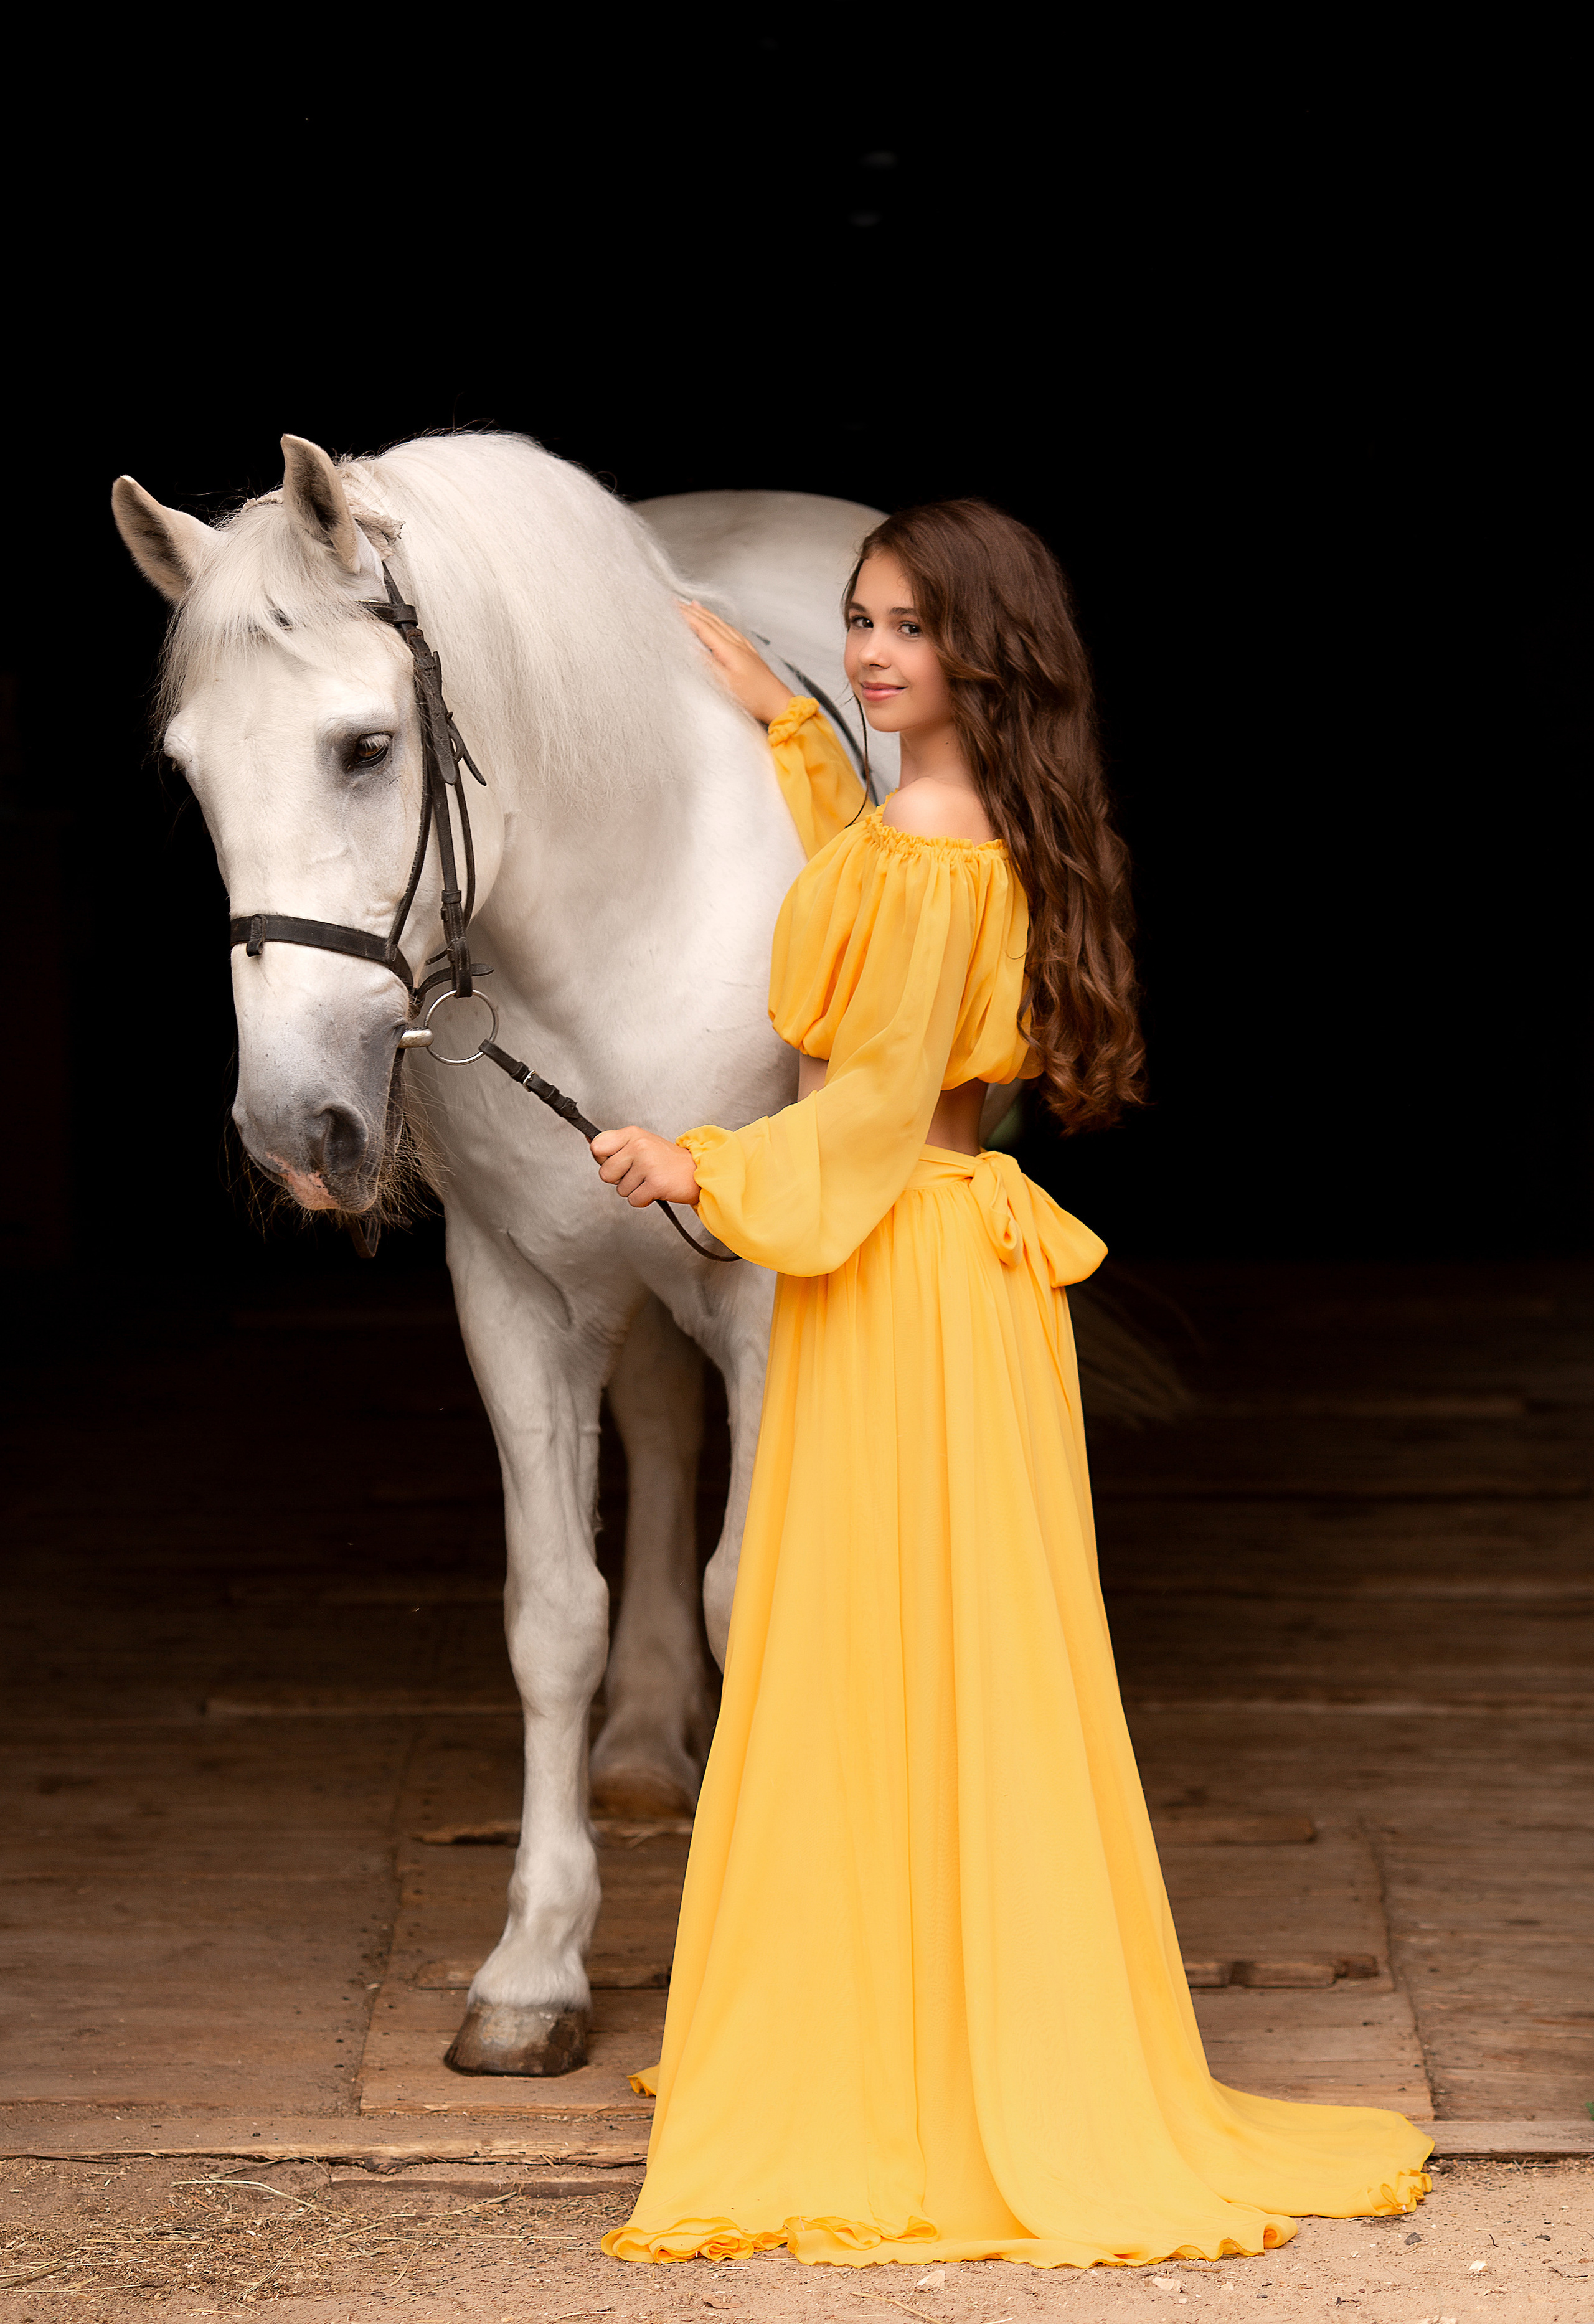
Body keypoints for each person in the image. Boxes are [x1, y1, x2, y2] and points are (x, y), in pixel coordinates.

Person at [589, 503, 1431, 2273]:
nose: (879, 650)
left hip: (892, 1267)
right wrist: (793, 724)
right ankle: (949, 2042)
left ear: (991, 655)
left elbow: (871, 1108)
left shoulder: (927, 838)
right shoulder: (969, 824)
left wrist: (700, 1169)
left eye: (911, 629)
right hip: (955, 1270)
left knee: (876, 1659)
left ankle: (899, 2067)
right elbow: (894, 959)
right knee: (958, 1668)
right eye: (861, 620)